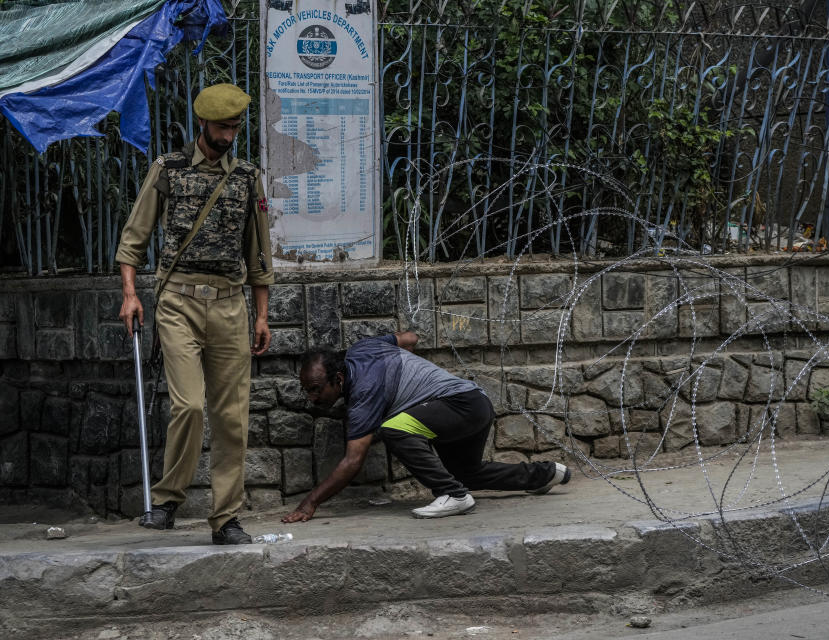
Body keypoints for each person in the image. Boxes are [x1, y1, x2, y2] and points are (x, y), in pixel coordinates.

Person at [116, 83, 274, 544]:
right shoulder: (168, 169)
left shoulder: (247, 176)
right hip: (177, 302)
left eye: (236, 126)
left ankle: (226, 518)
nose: (230, 134)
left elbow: (259, 252)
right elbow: (133, 239)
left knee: (231, 416)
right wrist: (130, 294)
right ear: (202, 123)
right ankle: (167, 501)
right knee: (188, 405)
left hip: (229, 304)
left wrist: (261, 315)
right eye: (223, 126)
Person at [281, 332, 571, 522]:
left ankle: (454, 497)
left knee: (394, 428)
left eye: (316, 389)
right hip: (473, 402)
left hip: (460, 405)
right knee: (465, 473)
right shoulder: (363, 347)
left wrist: (310, 503)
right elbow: (409, 338)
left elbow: (352, 461)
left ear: (339, 380)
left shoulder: (364, 396)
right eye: (306, 390)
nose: (312, 398)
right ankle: (546, 474)